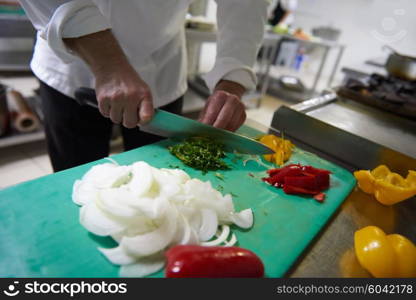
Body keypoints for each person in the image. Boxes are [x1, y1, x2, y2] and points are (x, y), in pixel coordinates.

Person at [17, 0, 269, 172]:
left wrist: (233, 78)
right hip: (73, 67)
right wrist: (108, 63)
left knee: (156, 178)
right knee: (74, 176)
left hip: (162, 69)